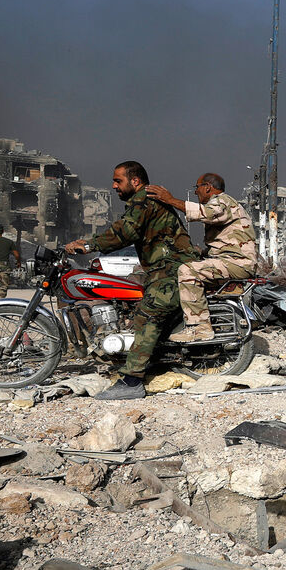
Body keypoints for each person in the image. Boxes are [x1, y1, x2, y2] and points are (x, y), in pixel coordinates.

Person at [63, 161, 197, 400]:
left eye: (118, 181)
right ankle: (145, 358)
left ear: (135, 181)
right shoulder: (145, 199)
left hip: (172, 268)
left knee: (149, 314)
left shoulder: (145, 199)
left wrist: (87, 245)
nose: (114, 186)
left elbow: (125, 232)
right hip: (161, 267)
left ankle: (132, 381)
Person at [144, 174, 257, 343]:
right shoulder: (224, 203)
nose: (196, 192)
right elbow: (225, 244)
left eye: (196, 187)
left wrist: (170, 200)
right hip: (231, 260)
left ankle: (200, 327)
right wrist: (202, 253)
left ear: (207, 187)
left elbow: (208, 214)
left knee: (188, 271)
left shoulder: (222, 201)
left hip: (238, 263)